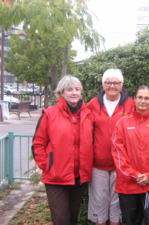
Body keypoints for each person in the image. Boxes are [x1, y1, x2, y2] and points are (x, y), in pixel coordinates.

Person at [32, 75, 94, 225]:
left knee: (72, 218)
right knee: (60, 220)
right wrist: (48, 165)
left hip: (78, 178)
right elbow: (37, 144)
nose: (74, 93)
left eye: (77, 89)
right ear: (61, 93)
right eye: (69, 89)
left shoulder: (88, 115)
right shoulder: (49, 114)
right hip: (56, 177)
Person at [112, 85, 149, 225]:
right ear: (134, 99)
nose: (143, 101)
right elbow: (118, 155)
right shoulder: (122, 123)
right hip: (128, 184)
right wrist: (135, 175)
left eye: (146, 98)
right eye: (140, 97)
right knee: (130, 221)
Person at [87, 68, 134, 225]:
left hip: (121, 164)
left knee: (117, 205)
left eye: (116, 83)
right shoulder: (93, 104)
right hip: (97, 164)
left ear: (122, 85)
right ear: (103, 84)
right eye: (108, 82)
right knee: (99, 204)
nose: (112, 86)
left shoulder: (130, 105)